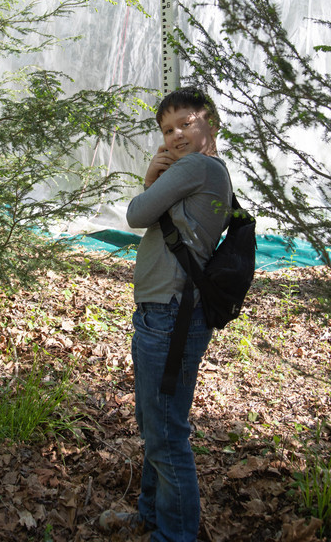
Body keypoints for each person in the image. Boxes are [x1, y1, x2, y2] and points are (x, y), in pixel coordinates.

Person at [100, 87, 233, 541]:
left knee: (166, 435)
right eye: (166, 130)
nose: (175, 135)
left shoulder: (196, 166)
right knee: (159, 426)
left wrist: (150, 179)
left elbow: (137, 213)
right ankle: (151, 515)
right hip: (172, 312)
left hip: (170, 315)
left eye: (184, 124)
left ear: (209, 122)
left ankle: (171, 534)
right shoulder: (208, 171)